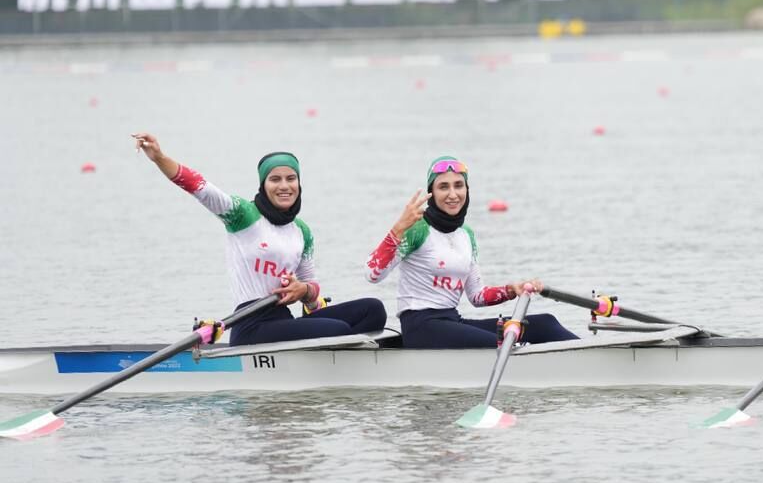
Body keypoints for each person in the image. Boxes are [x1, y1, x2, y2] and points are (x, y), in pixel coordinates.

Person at [132, 133, 387, 346]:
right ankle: (331, 357)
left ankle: (327, 354)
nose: (284, 186)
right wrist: (160, 158)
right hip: (251, 326)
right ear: (263, 184)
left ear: (299, 183)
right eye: (275, 179)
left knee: (374, 310)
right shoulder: (243, 214)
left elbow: (312, 294)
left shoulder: (302, 231)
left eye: (291, 178)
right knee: (338, 330)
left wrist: (303, 290)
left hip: (283, 319)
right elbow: (198, 187)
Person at [365, 155, 578, 349]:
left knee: (544, 324)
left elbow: (477, 296)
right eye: (443, 187)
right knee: (504, 343)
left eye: (459, 185)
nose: (452, 194)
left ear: (466, 189)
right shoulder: (416, 230)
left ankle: (591, 352)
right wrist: (398, 228)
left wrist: (513, 289)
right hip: (421, 327)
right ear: (432, 192)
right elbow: (372, 274)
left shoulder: (466, 234)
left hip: (452, 321)